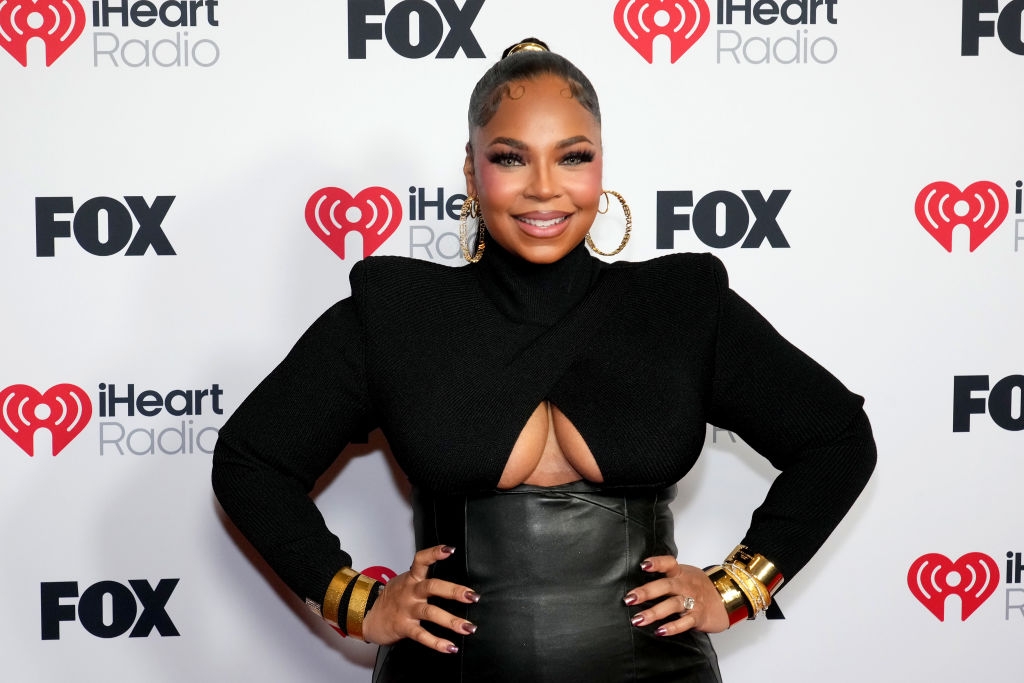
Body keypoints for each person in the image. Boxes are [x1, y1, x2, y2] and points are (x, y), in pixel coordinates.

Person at [212, 38, 876, 682]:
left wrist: (737, 587)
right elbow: (251, 460)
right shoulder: (397, 314)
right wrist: (356, 600)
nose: (543, 188)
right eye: (510, 159)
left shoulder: (679, 306)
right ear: (472, 172)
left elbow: (837, 438)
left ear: (600, 167)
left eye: (572, 157)